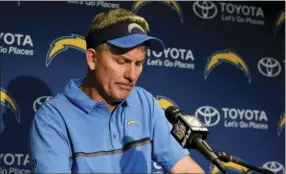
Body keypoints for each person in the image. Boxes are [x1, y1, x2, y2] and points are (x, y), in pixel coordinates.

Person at [29, 8, 205, 173]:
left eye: (139, 64)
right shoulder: (53, 118)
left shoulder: (144, 102)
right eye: (122, 62)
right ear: (92, 59)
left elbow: (185, 168)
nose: (132, 75)